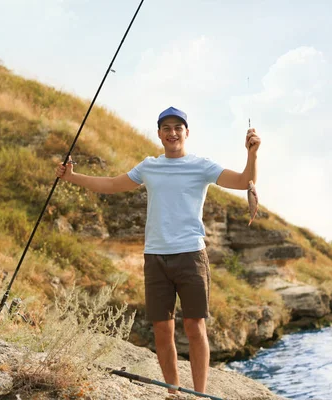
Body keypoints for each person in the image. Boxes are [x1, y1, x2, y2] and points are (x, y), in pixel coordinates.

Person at [55, 106, 260, 394]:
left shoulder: (202, 166)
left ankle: (199, 393)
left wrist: (252, 153)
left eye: (178, 127)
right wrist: (72, 177)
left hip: (191, 256)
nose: (173, 132)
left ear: (187, 133)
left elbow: (243, 182)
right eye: (167, 128)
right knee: (162, 329)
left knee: (194, 327)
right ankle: (173, 392)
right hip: (155, 257)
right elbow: (113, 184)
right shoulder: (149, 166)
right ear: (160, 134)